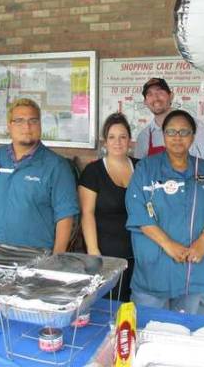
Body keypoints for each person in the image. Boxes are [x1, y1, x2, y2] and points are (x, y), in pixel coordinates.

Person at [126, 109, 204, 315]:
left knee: (193, 334)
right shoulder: (145, 169)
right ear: (164, 136)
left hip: (195, 266)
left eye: (184, 132)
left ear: (193, 137)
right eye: (171, 132)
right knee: (150, 331)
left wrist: (203, 241)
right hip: (155, 268)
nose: (177, 138)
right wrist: (168, 244)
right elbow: (138, 213)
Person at [0, 98, 79, 252]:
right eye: (19, 121)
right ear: (9, 125)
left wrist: (56, 259)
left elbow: (65, 216)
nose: (26, 127)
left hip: (34, 258)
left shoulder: (57, 166)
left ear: (40, 125)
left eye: (33, 121)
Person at [78, 113, 138, 301]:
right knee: (110, 307)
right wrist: (94, 252)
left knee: (134, 307)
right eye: (112, 137)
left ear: (130, 140)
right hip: (107, 257)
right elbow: (87, 214)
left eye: (123, 137)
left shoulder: (141, 168)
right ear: (105, 142)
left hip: (138, 254)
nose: (118, 142)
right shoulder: (93, 172)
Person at [134, 77, 204, 163]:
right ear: (145, 102)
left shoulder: (195, 126)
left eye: (160, 92)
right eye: (150, 94)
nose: (155, 98)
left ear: (171, 96)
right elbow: (139, 171)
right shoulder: (143, 137)